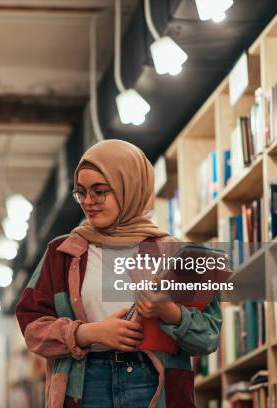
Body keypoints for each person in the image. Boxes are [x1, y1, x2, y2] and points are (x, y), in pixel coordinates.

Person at [15, 139, 222, 407]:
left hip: (154, 384)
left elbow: (208, 338)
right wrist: (90, 333)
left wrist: (168, 311)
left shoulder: (178, 254)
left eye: (99, 191)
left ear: (130, 186)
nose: (88, 201)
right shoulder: (62, 253)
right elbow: (32, 330)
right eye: (81, 192)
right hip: (85, 383)